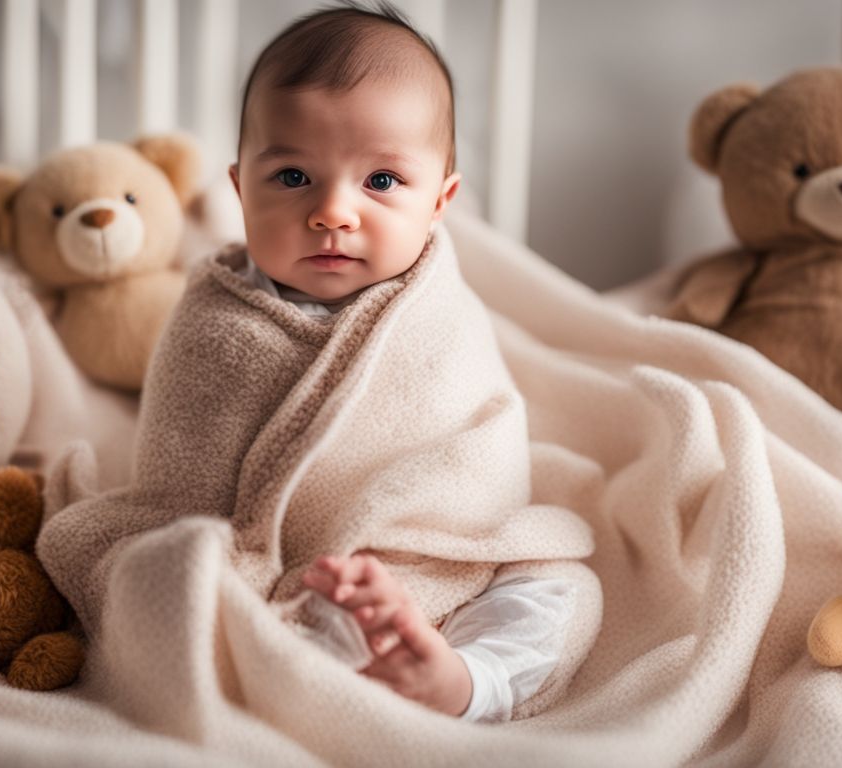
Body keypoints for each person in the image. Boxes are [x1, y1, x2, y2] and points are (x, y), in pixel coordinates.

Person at [229, 2, 585, 721]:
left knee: (557, 584)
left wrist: (431, 550)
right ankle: (332, 661)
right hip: (309, 569)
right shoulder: (220, 320)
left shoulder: (440, 315)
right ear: (239, 188)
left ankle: (469, 680)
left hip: (442, 554)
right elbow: (184, 473)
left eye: (382, 181)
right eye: (293, 177)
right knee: (173, 577)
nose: (333, 211)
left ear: (440, 201)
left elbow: (480, 438)